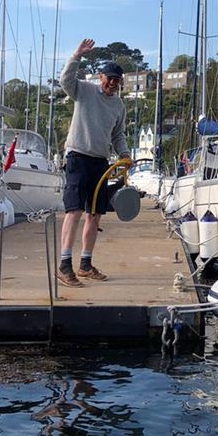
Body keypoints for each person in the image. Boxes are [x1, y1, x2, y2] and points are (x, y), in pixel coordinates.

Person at [57, 38, 131, 286]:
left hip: (101, 161)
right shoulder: (84, 90)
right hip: (78, 156)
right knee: (75, 210)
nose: (112, 83)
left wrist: (124, 154)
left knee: (95, 214)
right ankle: (64, 265)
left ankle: (85, 264)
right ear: (101, 77)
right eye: (109, 78)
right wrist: (76, 55)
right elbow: (64, 81)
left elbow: (118, 134)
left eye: (116, 80)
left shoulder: (119, 105)